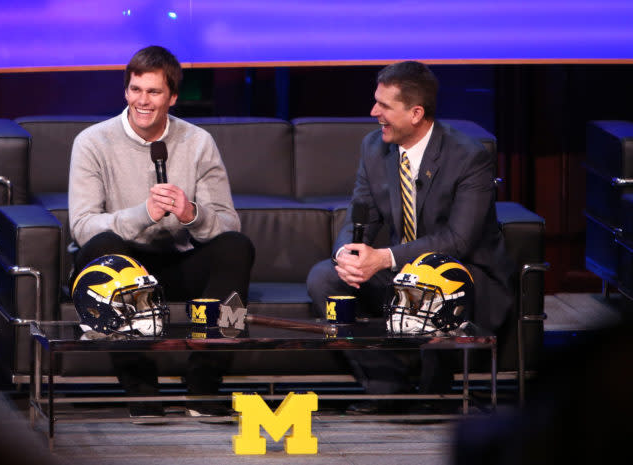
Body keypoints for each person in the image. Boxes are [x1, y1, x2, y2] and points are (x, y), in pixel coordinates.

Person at [306, 60, 513, 411]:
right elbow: (362, 214)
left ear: (416, 113)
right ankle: (388, 387)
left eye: (384, 106)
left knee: (432, 280)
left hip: (463, 276)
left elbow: (458, 241)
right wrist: (347, 254)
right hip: (405, 270)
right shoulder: (374, 148)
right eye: (376, 102)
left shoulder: (468, 157)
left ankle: (435, 394)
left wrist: (384, 258)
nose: (374, 112)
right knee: (324, 277)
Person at [68, 45, 255, 419]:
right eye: (136, 89)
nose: (143, 101)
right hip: (128, 264)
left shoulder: (198, 142)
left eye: (153, 92)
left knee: (237, 247)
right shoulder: (92, 142)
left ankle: (203, 389)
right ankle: (143, 391)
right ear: (125, 91)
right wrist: (143, 214)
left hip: (183, 259)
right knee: (102, 246)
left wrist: (191, 214)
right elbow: (83, 225)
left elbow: (228, 221)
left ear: (171, 97)